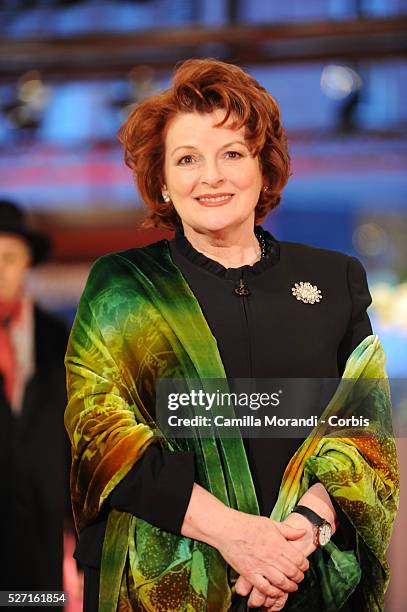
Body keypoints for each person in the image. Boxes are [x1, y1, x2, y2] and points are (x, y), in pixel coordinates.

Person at [65, 59, 399, 611]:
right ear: (163, 182)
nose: (212, 176)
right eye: (187, 159)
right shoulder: (122, 285)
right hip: (163, 585)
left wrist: (300, 534)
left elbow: (363, 427)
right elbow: (101, 432)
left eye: (233, 154)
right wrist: (238, 538)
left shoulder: (335, 279)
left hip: (303, 576)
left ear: (264, 170)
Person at [0, 200, 71, 600]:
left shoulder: (57, 336)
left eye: (9, 257)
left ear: (27, 262)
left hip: (42, 536)